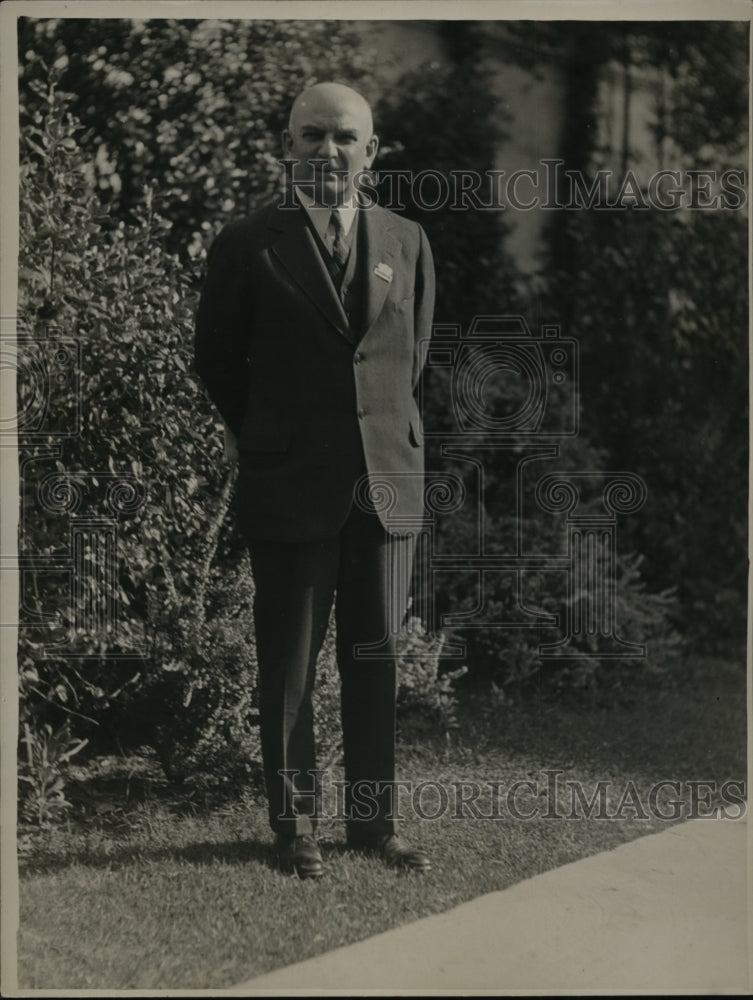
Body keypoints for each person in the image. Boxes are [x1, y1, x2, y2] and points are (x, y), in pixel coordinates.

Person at [194, 82, 435, 878]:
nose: (325, 152)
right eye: (310, 137)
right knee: (289, 662)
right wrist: (268, 438)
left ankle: (373, 827)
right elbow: (218, 362)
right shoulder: (247, 243)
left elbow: (408, 363)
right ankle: (293, 829)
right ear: (287, 146)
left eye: (343, 138)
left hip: (385, 482)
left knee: (375, 659)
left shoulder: (407, 242)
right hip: (290, 480)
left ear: (371, 151)